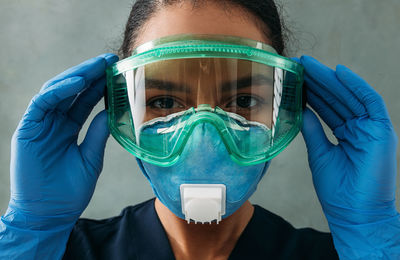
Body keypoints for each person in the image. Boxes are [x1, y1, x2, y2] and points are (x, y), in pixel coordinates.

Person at [0, 0, 399, 259]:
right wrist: (31, 235)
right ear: (122, 113)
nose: (203, 136)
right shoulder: (63, 253)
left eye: (243, 102)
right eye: (164, 102)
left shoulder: (342, 255)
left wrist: (371, 239)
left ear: (284, 112)